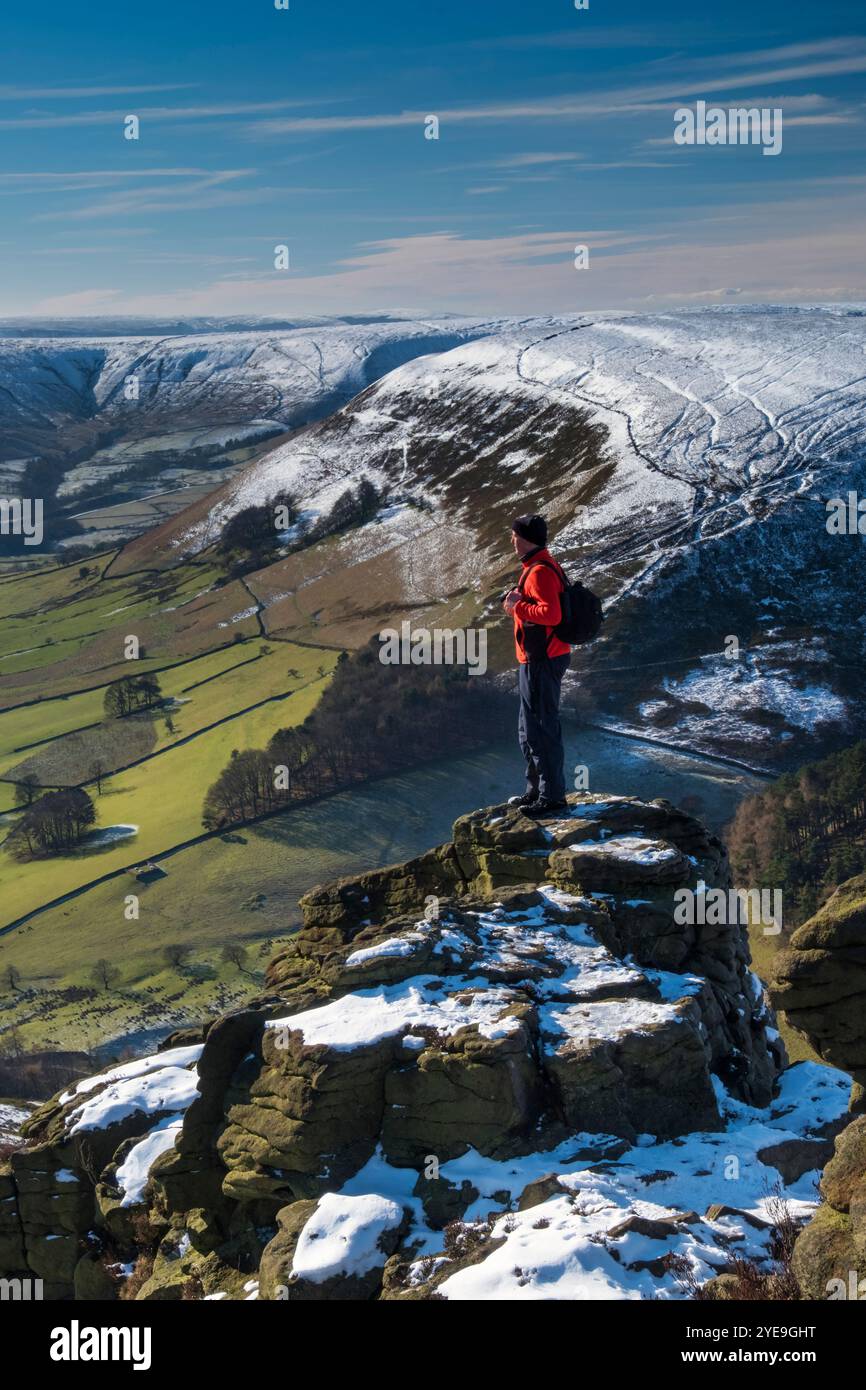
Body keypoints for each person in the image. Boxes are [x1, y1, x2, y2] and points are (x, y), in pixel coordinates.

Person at [502, 514, 571, 817]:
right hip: (536, 659)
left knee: (542, 728)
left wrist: (517, 605)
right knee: (528, 729)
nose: (511, 539)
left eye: (514, 534)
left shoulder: (540, 572)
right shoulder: (538, 566)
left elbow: (551, 614)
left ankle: (552, 797)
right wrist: (519, 605)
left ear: (525, 538)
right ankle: (536, 791)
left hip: (542, 660)